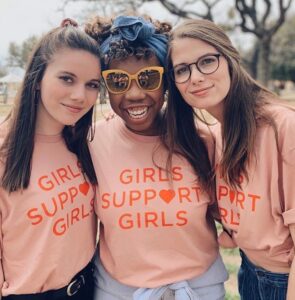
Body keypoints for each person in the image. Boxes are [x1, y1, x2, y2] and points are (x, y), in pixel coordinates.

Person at [85, 15, 228, 300]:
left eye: (149, 78)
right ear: (105, 86)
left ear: (167, 82)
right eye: (118, 80)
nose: (134, 93)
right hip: (117, 290)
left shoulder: (203, 141)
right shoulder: (91, 143)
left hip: (200, 289)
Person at [165, 18, 295, 300]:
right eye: (182, 70)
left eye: (207, 61)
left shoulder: (282, 128)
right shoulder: (216, 135)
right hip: (249, 274)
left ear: (230, 59)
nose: (196, 77)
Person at [0, 18, 101, 299]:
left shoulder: (86, 145)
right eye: (67, 78)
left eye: (92, 84)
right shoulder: (4, 151)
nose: (80, 95)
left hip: (87, 287)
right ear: (37, 77)